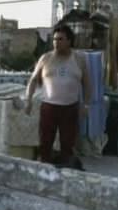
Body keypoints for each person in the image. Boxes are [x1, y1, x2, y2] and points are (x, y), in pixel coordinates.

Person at [24, 25, 92, 165]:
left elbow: (87, 84)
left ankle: (66, 170)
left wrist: (86, 104)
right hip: (49, 107)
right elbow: (33, 80)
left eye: (60, 39)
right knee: (45, 143)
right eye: (54, 39)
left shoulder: (79, 59)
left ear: (69, 41)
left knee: (68, 144)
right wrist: (28, 99)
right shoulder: (45, 58)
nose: (56, 42)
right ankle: (44, 168)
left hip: (70, 108)